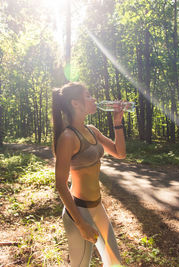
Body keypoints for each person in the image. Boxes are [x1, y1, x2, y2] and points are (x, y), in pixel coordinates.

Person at [52, 82, 125, 267]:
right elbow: (60, 184)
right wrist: (81, 224)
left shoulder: (92, 130)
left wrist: (117, 123)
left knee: (115, 263)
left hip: (97, 207)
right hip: (78, 211)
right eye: (88, 95)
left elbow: (120, 152)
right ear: (75, 103)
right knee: (80, 265)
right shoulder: (68, 138)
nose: (94, 99)